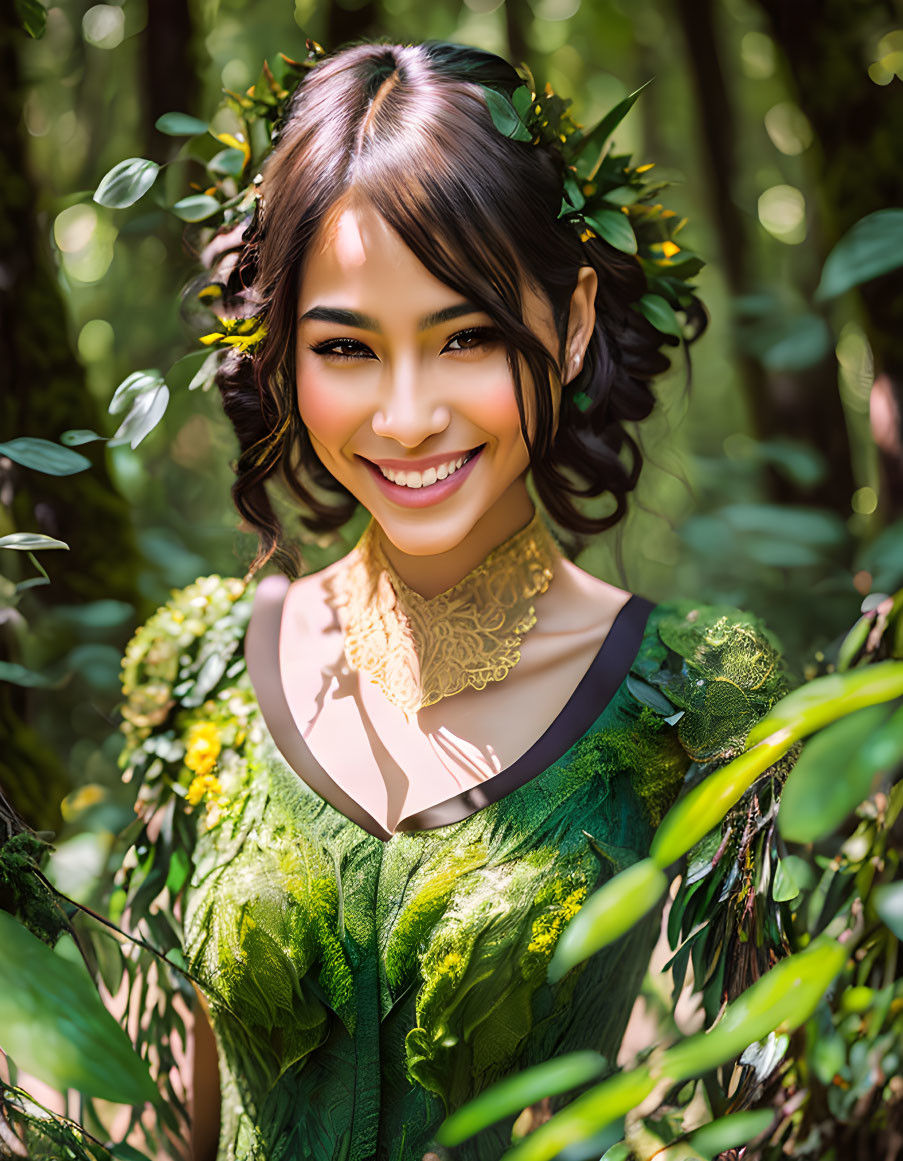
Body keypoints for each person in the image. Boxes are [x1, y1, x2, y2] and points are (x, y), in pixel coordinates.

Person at [115, 38, 793, 1161]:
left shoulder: (696, 702)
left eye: (466, 335)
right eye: (347, 347)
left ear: (570, 323)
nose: (409, 415)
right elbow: (184, 1117)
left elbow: (775, 1105)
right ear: (282, 355)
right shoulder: (202, 667)